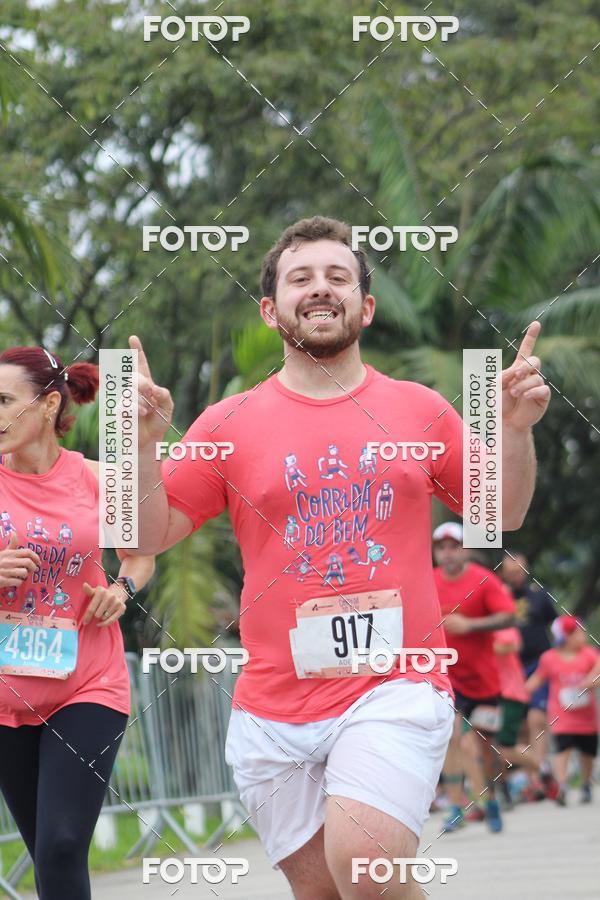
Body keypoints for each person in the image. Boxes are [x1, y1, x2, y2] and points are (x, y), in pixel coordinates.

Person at [129, 216, 550, 899]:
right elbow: (146, 536)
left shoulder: (419, 410)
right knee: (324, 892)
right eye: (300, 278)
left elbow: (499, 513)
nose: (320, 288)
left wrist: (515, 430)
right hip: (272, 708)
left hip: (395, 684)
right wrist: (142, 445)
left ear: (366, 306)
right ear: (271, 310)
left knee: (365, 867)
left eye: (338, 277)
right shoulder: (227, 423)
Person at [0, 346, 155, 900]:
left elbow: (139, 555)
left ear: (48, 406)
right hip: (6, 695)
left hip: (88, 684)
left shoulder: (97, 478)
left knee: (64, 843)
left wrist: (121, 589)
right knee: (46, 852)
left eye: (3, 400)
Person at [433, 522, 516, 834]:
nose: (448, 553)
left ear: (465, 549)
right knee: (454, 738)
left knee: (483, 748)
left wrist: (470, 626)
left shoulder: (484, 580)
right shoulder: (428, 580)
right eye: (441, 548)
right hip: (446, 677)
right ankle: (456, 807)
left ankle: (490, 800)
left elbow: (509, 616)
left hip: (484, 681)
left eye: (454, 546)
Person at [525, 614, 600, 806]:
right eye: (578, 633)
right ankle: (562, 785)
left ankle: (585, 783)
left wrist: (590, 681)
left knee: (587, 752)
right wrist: (520, 692)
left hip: (586, 717)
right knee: (562, 749)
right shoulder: (549, 658)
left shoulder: (589, 654)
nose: (583, 635)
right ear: (565, 636)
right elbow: (537, 679)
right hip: (561, 716)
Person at [501, 551, 557, 778]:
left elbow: (556, 626)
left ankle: (540, 773)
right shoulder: (498, 596)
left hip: (539, 664)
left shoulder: (539, 595)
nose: (517, 576)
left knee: (537, 717)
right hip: (510, 669)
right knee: (520, 725)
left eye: (520, 571)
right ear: (503, 573)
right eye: (511, 572)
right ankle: (531, 776)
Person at [493, 626, 559, 804]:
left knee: (505, 748)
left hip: (509, 694)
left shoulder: (499, 623)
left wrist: (477, 639)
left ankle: (542, 770)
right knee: (482, 745)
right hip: (481, 694)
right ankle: (501, 791)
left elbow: (513, 644)